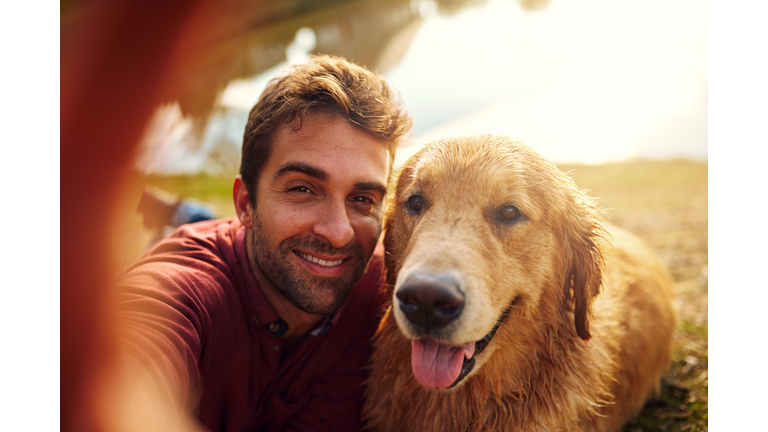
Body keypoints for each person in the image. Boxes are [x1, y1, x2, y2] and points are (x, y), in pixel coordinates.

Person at [115, 55, 412, 431]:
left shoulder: (383, 291)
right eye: (302, 189)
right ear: (245, 202)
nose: (339, 232)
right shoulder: (184, 294)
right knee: (201, 227)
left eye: (362, 199)